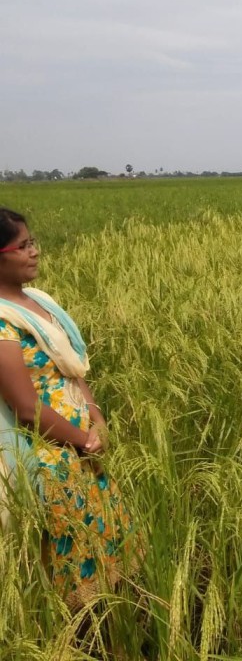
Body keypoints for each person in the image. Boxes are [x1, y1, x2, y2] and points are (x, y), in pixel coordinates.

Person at [0, 207, 135, 611]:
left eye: (33, 242)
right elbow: (26, 408)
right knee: (71, 557)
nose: (35, 252)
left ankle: (113, 623)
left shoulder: (38, 301)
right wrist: (83, 440)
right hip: (51, 454)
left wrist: (96, 416)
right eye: (23, 246)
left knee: (105, 543)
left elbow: (71, 368)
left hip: (83, 447)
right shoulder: (2, 324)